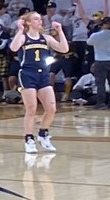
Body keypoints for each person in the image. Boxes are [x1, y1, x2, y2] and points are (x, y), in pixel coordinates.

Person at [8, 11, 67, 153]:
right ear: (28, 22)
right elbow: (13, 48)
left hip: (44, 74)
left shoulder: (46, 38)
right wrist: (20, 30)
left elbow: (64, 49)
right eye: (36, 19)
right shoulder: (23, 38)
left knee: (51, 108)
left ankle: (43, 134)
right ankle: (29, 138)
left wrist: (60, 31)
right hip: (28, 74)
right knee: (31, 109)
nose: (40, 21)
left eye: (40, 19)